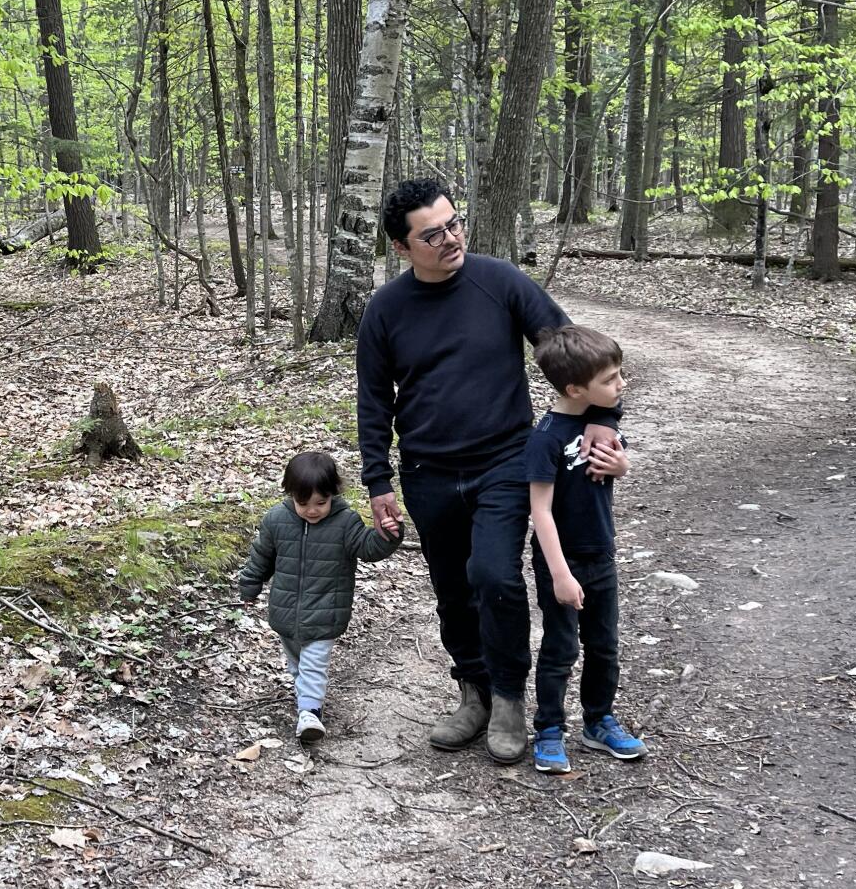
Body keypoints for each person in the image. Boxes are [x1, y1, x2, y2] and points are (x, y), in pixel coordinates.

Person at [357, 178, 622, 764]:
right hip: (426, 471)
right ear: (402, 248)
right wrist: (378, 482)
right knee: (452, 589)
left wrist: (605, 415)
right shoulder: (385, 311)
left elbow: (572, 350)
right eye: (432, 234)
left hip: (504, 461)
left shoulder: (499, 282)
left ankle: (508, 699)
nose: (451, 238)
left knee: (494, 576)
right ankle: (473, 693)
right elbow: (373, 400)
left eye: (455, 224)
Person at [524, 325, 644, 774]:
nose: (621, 385)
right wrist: (559, 573)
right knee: (560, 648)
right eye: (611, 379)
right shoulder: (547, 437)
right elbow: (540, 509)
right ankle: (550, 728)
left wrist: (624, 465)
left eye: (620, 374)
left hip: (601, 554)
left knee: (604, 645)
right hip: (563, 560)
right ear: (575, 388)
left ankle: (598, 721)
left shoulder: (601, 420)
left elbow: (617, 463)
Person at [238, 450, 404, 744]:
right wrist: (250, 586)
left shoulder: (345, 522)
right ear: (290, 494)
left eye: (320, 503)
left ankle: (310, 713)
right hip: (286, 612)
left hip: (326, 612)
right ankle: (306, 701)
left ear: (333, 495)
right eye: (303, 503)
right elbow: (261, 557)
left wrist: (388, 534)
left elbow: (369, 548)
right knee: (297, 665)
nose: (312, 510)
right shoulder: (277, 520)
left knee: (313, 663)